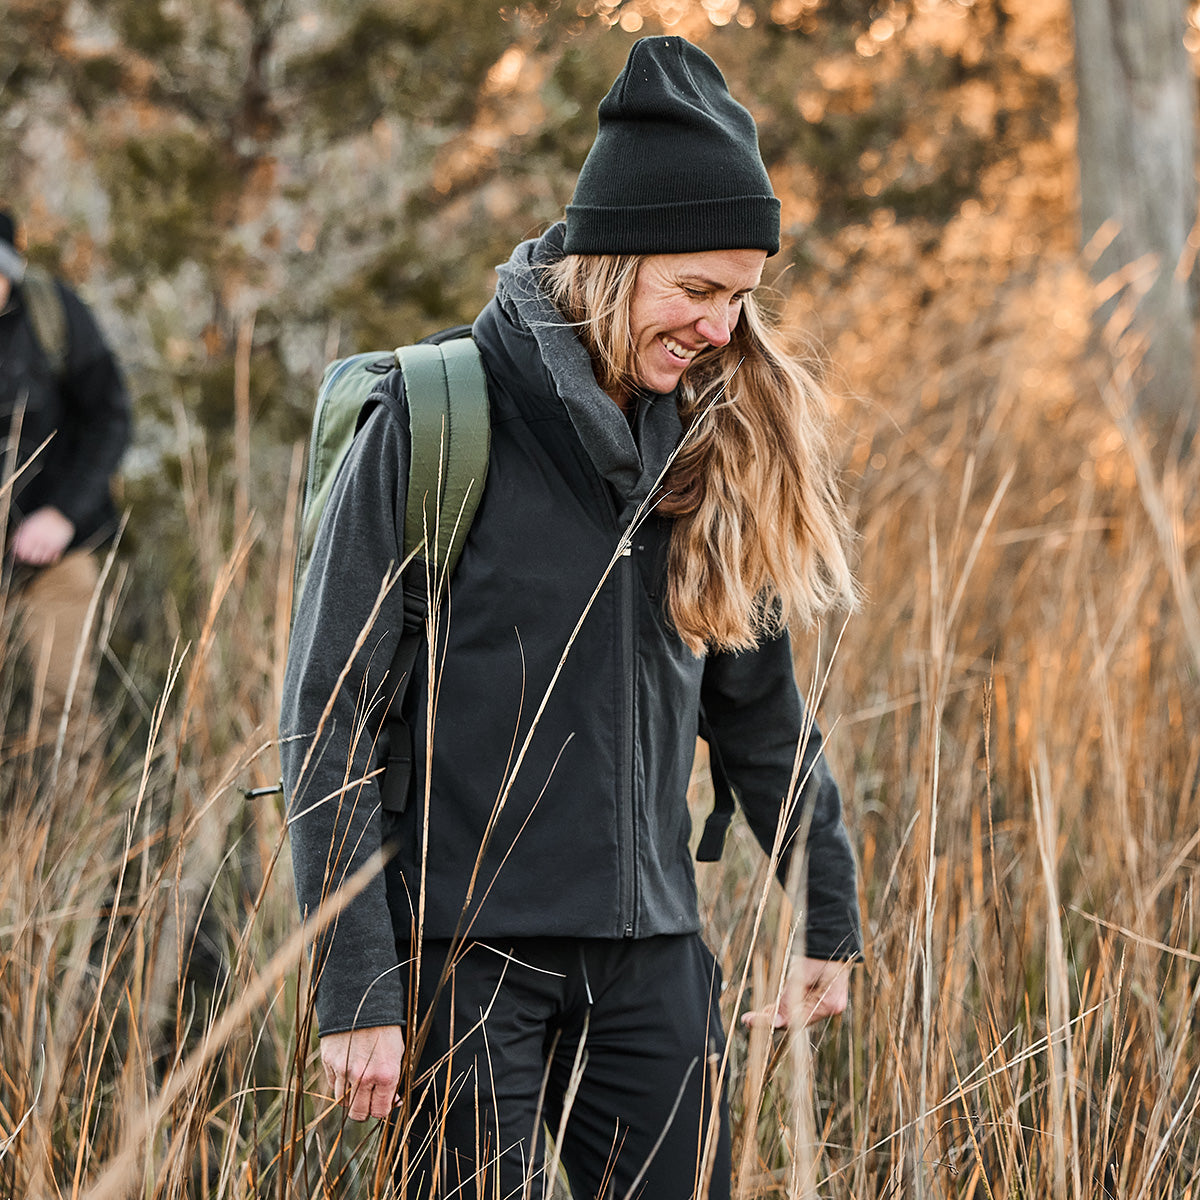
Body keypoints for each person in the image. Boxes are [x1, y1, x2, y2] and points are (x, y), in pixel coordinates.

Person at [281, 36, 862, 1199]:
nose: (718, 328)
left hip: (653, 961)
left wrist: (825, 908)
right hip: (461, 964)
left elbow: (757, 711)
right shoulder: (434, 422)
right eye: (696, 291)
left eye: (739, 300)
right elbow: (329, 722)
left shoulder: (712, 440)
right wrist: (356, 991)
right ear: (608, 261)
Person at [0, 209, 131, 744]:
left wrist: (61, 514)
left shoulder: (54, 314)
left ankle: (67, 813)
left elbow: (110, 419)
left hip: (53, 541)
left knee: (63, 706)